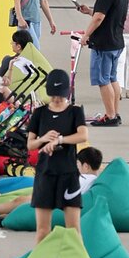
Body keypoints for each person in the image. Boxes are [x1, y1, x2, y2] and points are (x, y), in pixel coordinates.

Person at [27, 69, 88, 239]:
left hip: (68, 174)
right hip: (45, 174)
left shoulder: (75, 111)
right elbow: (30, 144)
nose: (57, 99)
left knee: (73, 230)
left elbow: (83, 135)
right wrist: (43, 139)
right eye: (53, 95)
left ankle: (77, 257)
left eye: (60, 95)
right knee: (43, 230)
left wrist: (59, 140)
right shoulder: (40, 113)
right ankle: (41, 257)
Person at [76, 0, 127, 128]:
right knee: (112, 78)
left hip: (104, 43)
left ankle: (110, 115)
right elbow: (107, 14)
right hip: (116, 41)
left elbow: (99, 18)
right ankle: (115, 113)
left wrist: (86, 35)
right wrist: (89, 11)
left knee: (103, 80)